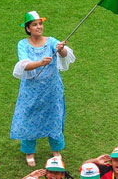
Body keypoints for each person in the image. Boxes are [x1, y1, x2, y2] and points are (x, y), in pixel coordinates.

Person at [10, 11, 75, 167]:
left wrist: (61, 49)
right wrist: (40, 63)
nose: (39, 27)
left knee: (54, 116)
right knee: (29, 117)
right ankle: (29, 152)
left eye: (40, 23)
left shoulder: (51, 41)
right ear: (28, 29)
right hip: (31, 90)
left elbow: (65, 54)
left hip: (52, 89)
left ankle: (56, 151)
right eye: (35, 24)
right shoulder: (23, 44)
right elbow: (24, 65)